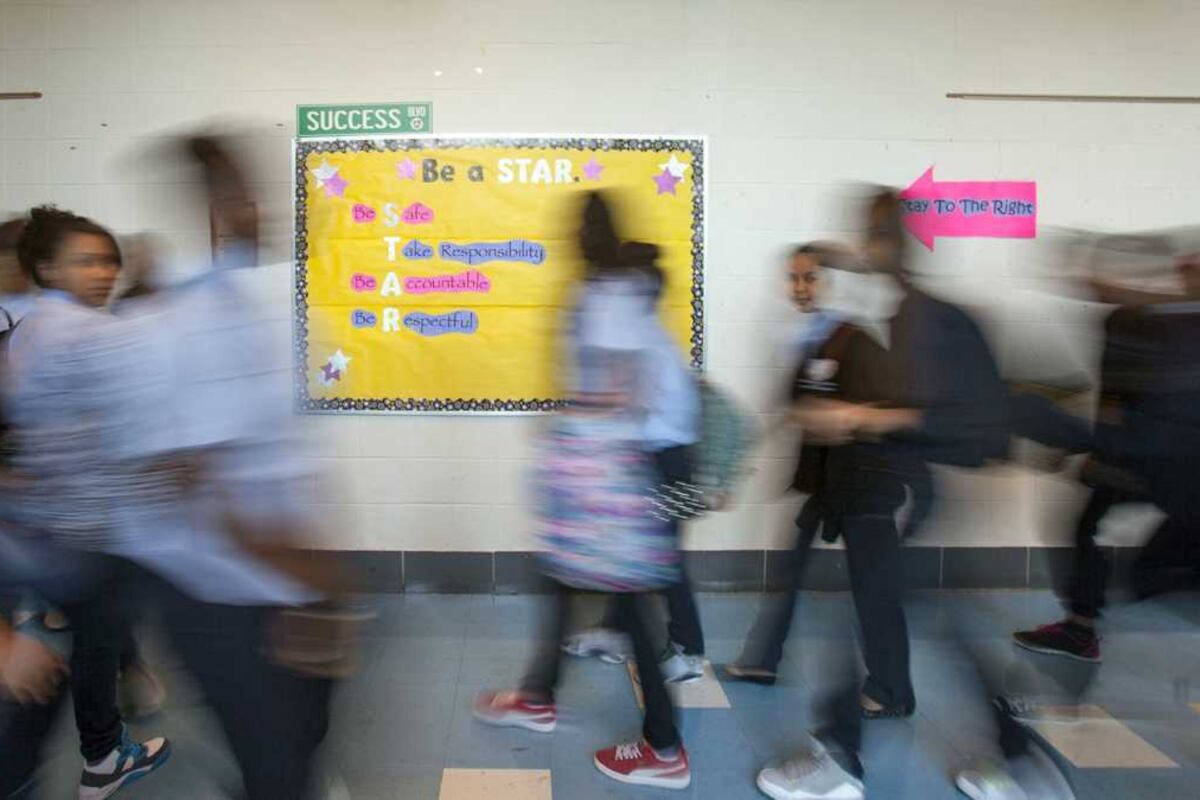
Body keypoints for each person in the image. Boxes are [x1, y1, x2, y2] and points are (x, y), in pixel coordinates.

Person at [475, 192, 692, 790]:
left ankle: (665, 745)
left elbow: (623, 387)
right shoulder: (617, 294)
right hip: (622, 462)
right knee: (568, 582)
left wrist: (569, 420)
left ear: (583, 238)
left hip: (622, 465)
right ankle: (539, 695)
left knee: (633, 598)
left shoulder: (606, 296)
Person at [0, 205, 172, 799]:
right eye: (85, 261)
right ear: (47, 268)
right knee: (68, 657)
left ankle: (101, 753)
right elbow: (158, 377)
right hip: (77, 537)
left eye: (108, 260)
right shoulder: (79, 329)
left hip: (59, 526)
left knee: (90, 644)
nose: (102, 272)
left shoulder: (28, 330)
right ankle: (83, 758)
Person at [727, 243, 912, 688]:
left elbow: (881, 414)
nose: (800, 288)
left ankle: (892, 691)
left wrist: (836, 419)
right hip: (827, 487)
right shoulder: (812, 340)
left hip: (866, 489)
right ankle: (764, 660)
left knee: (873, 593)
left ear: (832, 282)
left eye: (809, 278)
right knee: (788, 572)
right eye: (793, 278)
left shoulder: (859, 342)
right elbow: (793, 407)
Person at [1013, 253, 1200, 663]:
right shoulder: (1132, 324)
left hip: (1169, 463)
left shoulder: (1164, 327)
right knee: (1087, 529)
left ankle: (1083, 626)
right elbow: (1115, 402)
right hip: (1141, 458)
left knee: (1155, 565)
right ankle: (1080, 628)